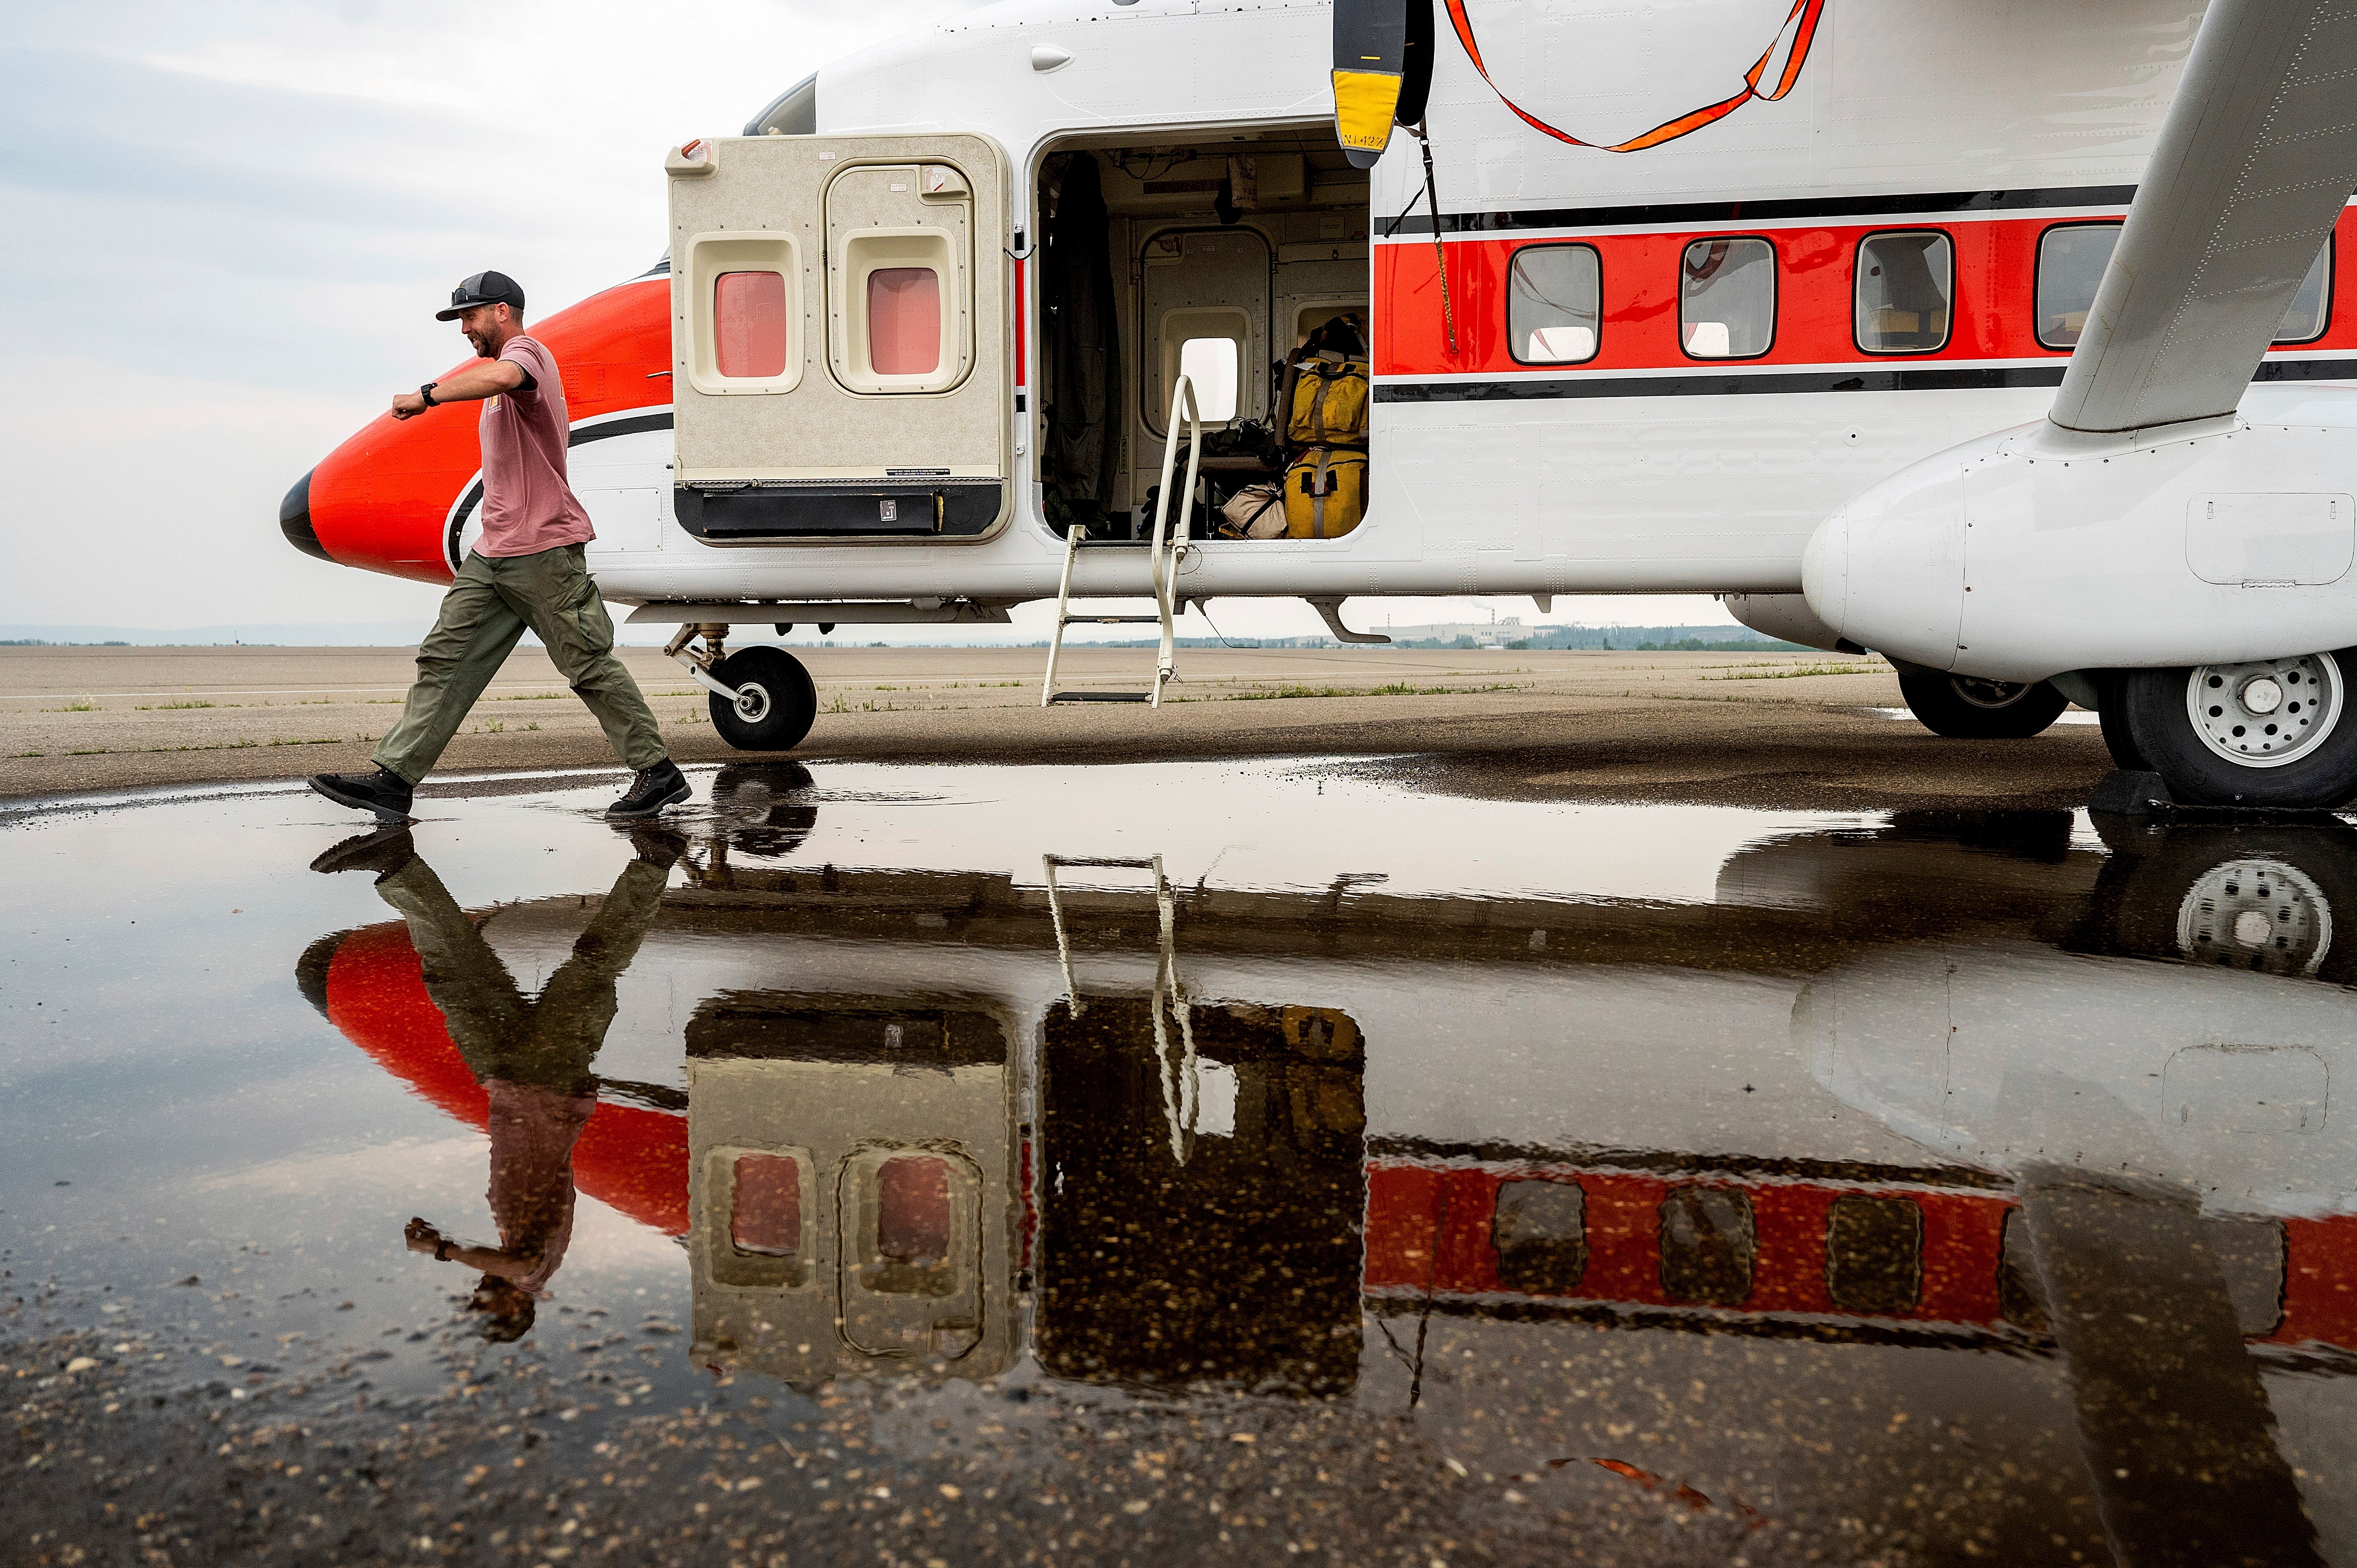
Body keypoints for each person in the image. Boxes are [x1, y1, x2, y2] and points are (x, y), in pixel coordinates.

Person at [309, 270, 690, 822]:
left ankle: (658, 773)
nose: (465, 328)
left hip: (544, 551)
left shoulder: (528, 355)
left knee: (586, 665)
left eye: (471, 315)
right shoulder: (496, 381)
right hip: (495, 553)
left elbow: (508, 376)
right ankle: (394, 780)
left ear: (503, 312)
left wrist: (427, 396)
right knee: (444, 658)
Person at [312, 822, 681, 1339]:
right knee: (591, 967)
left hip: (504, 1077)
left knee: (452, 972)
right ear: (514, 1308)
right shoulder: (533, 1270)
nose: (477, 1293)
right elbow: (520, 1262)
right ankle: (655, 863)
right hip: (550, 1082)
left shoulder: (515, 1248)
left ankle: (397, 864)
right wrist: (443, 1249)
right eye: (486, 1305)